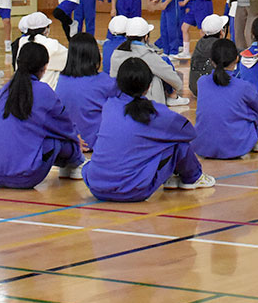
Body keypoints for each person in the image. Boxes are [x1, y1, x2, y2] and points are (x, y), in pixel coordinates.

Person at [83, 57, 215, 201]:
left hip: (96, 186)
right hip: (131, 190)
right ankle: (193, 177)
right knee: (178, 145)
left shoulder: (110, 105)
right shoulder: (155, 112)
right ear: (148, 86)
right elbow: (188, 133)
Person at [0, 42, 85, 188]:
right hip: (25, 176)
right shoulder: (43, 91)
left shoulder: (5, 89)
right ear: (44, 67)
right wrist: (76, 141)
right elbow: (64, 126)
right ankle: (75, 165)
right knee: (62, 140)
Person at [192, 39, 258, 158]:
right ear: (236, 58)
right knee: (247, 111)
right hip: (235, 147)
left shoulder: (202, 82)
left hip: (202, 146)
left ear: (211, 60)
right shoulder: (243, 86)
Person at [55, 33, 120, 151]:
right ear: (94, 55)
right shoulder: (104, 81)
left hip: (69, 142)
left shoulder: (61, 80)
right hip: (97, 142)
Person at [110, 17, 190, 107]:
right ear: (146, 37)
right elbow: (174, 79)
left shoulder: (116, 53)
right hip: (146, 103)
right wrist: (176, 88)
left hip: (120, 99)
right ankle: (172, 97)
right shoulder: (147, 55)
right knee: (157, 74)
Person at [15, 12, 68, 89]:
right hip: (46, 90)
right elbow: (71, 60)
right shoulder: (52, 44)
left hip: (22, 87)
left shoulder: (22, 41)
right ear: (46, 29)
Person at [188, 14, 228, 97]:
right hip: (213, 88)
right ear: (221, 31)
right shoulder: (220, 45)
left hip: (195, 88)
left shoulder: (200, 43)